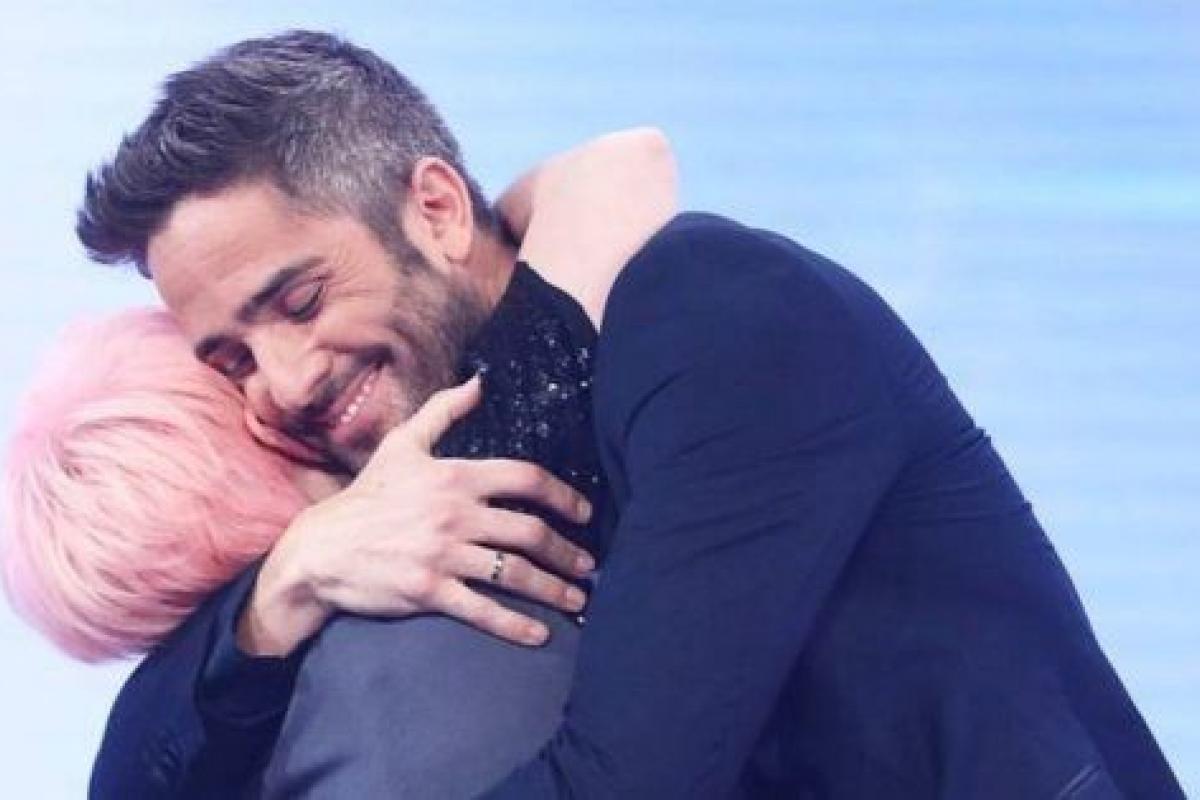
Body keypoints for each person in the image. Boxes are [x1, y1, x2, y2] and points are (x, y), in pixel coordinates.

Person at [76, 30, 1184, 799]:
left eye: (301, 301)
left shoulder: (722, 314)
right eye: (231, 358)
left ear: (437, 210)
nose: (282, 381)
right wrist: (286, 583)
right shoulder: (396, 509)